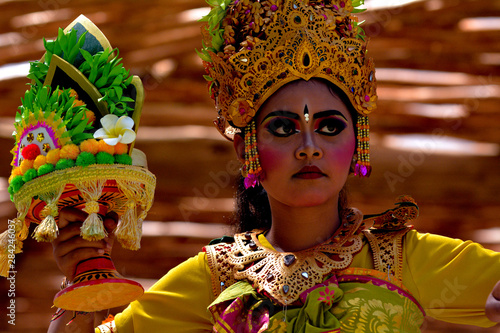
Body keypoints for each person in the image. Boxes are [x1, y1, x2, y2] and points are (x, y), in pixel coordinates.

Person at [48, 0, 500, 332]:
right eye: (284, 129)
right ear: (247, 147)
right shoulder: (215, 275)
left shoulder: (407, 259)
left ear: (357, 141)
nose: (309, 147)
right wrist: (84, 279)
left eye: (329, 127)